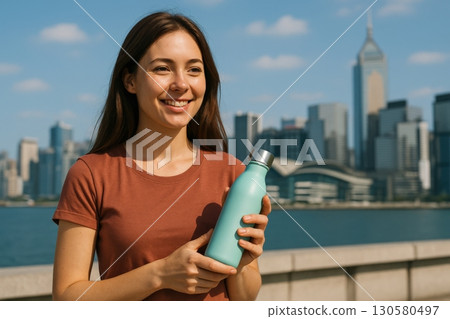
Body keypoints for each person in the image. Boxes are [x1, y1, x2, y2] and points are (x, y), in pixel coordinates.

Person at [52, 11, 271, 301]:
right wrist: (161, 274)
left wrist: (241, 265)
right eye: (162, 69)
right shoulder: (91, 174)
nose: (181, 84)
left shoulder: (233, 173)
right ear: (130, 81)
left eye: (194, 70)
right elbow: (67, 297)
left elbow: (244, 299)